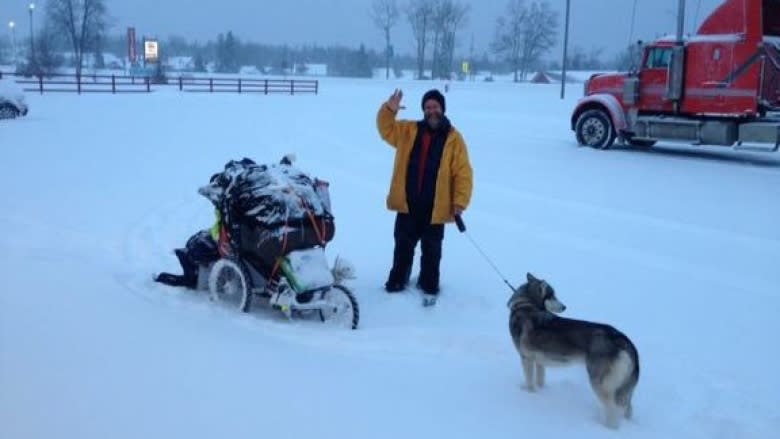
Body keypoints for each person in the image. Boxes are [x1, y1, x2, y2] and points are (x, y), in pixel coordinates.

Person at [376, 88, 473, 304]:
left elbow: (463, 173)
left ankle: (429, 289)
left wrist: (459, 201)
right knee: (402, 249)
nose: (431, 111)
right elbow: (386, 129)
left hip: (435, 209)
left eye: (435, 107)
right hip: (407, 205)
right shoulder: (408, 130)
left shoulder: (454, 138)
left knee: (432, 254)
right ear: (423, 111)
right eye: (428, 107)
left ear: (442, 109)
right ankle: (397, 284)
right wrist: (389, 110)